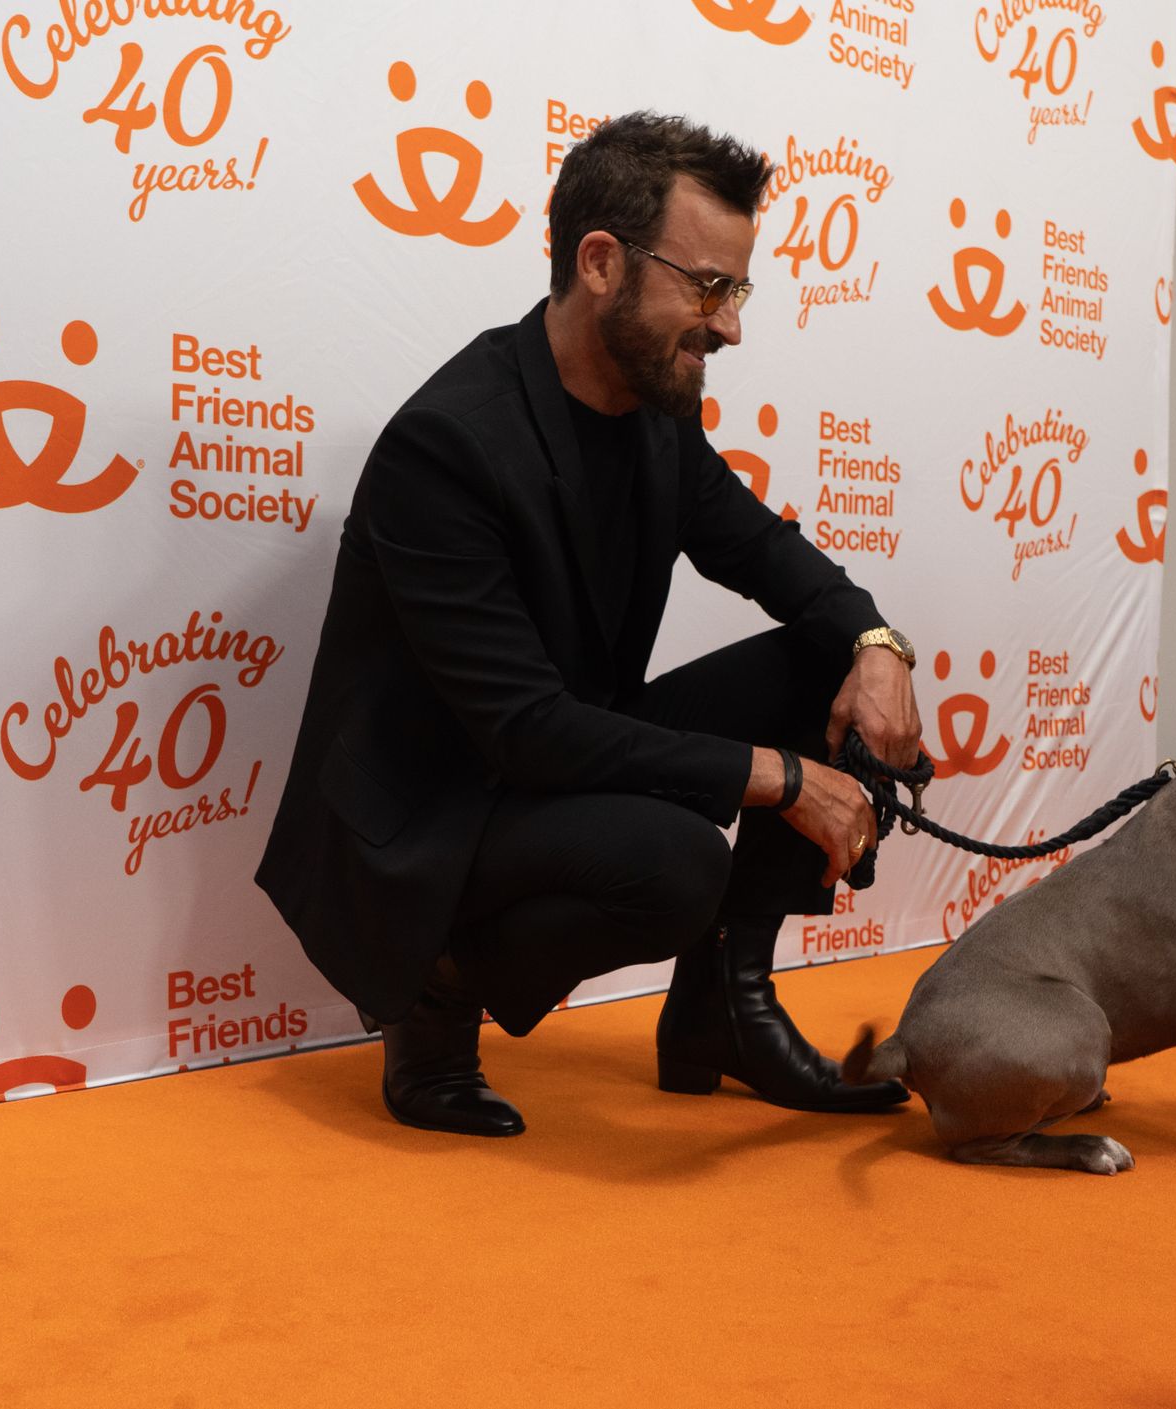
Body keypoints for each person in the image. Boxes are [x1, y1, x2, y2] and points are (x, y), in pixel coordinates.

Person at [256, 111, 922, 1137]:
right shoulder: (448, 445)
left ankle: (721, 1014)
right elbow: (524, 726)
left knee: (816, 659)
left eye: (735, 289)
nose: (729, 324)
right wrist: (784, 779)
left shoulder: (657, 408)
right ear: (601, 262)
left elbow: (758, 548)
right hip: (429, 816)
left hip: (544, 758)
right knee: (676, 862)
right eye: (708, 287)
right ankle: (430, 990)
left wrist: (874, 646)